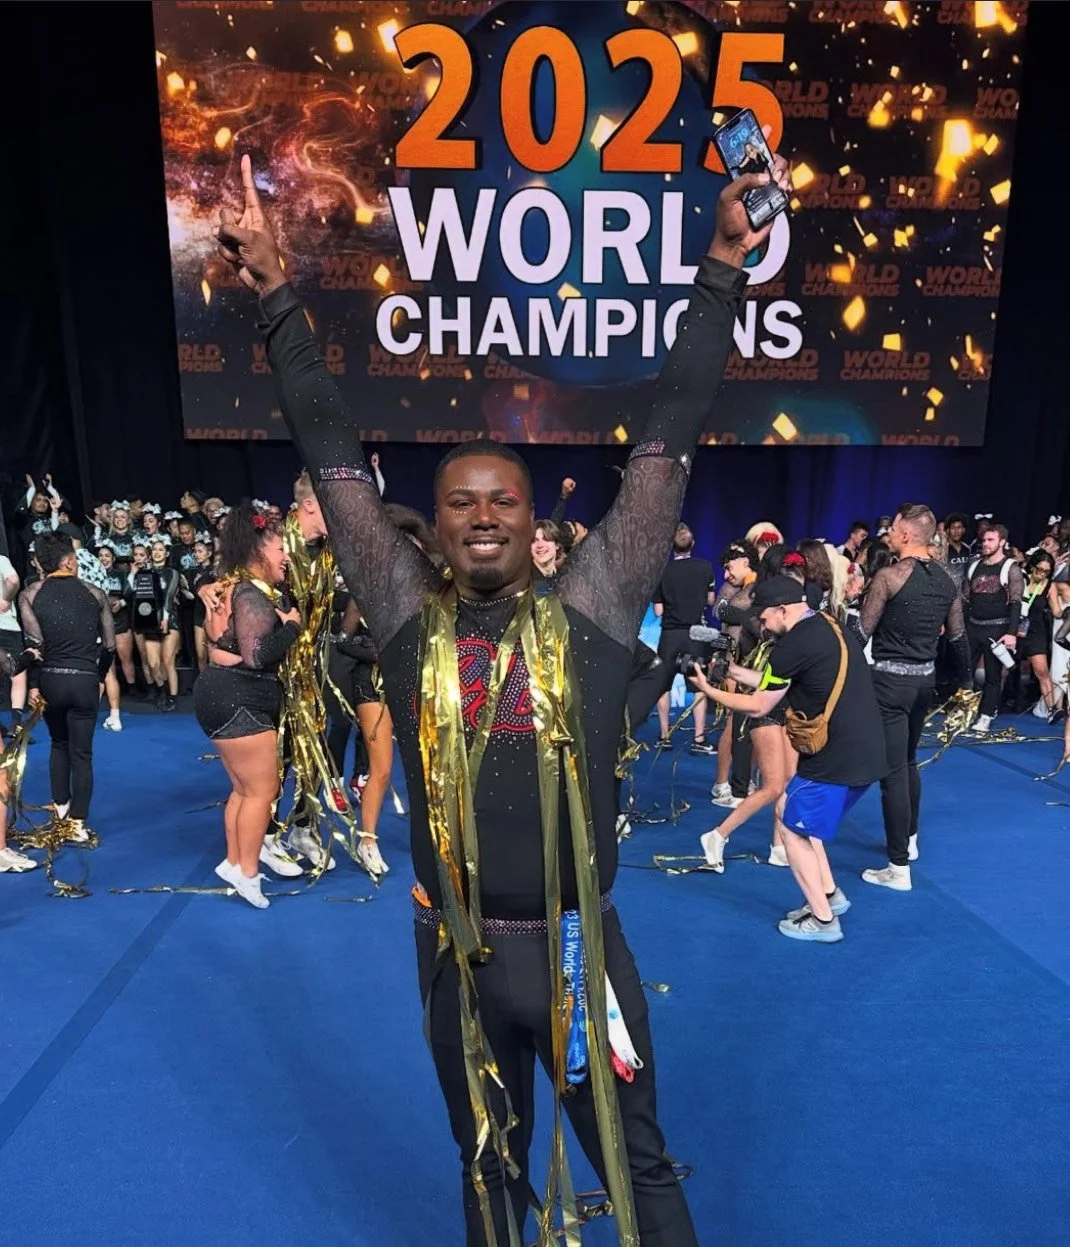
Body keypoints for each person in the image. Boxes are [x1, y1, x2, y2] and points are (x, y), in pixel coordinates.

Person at [216, 147, 788, 1245]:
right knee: (486, 1161)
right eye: (460, 501)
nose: (482, 515)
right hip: (456, 957)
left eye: (505, 500)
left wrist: (720, 265)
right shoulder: (401, 614)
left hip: (580, 951)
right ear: (429, 525)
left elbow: (668, 437)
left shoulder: (595, 603)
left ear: (536, 522)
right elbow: (327, 445)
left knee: (640, 1161)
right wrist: (278, 295)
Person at [693, 575, 886, 942]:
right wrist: (731, 672)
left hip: (835, 756)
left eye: (763, 619)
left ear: (782, 610)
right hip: (867, 750)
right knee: (790, 811)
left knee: (793, 827)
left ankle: (823, 920)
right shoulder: (828, 624)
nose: (761, 627)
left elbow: (758, 705)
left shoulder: (792, 645)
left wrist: (708, 690)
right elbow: (775, 682)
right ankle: (830, 894)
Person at [850, 505, 970, 889]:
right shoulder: (947, 580)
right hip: (925, 684)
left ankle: (897, 866)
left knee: (893, 771)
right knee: (908, 761)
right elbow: (957, 638)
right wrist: (967, 684)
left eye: (893, 531)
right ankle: (910, 841)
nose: (888, 536)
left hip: (888, 685)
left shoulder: (889, 576)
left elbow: (861, 635)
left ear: (905, 535)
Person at [192, 505, 302, 908]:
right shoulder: (251, 594)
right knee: (263, 791)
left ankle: (235, 862)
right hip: (240, 697)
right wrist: (292, 626)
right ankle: (249, 873)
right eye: (278, 548)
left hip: (221, 694)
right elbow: (257, 655)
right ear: (258, 551)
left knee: (242, 789)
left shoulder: (232, 586)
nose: (285, 556)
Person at [17, 532, 115, 843]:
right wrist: (99, 678)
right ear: (69, 561)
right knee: (81, 754)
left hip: (51, 679)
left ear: (40, 563)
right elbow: (110, 647)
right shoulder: (96, 593)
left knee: (59, 745)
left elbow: (34, 647)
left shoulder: (29, 595)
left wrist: (34, 684)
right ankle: (77, 825)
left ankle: (61, 812)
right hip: (85, 679)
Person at [653, 522, 717, 754]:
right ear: (693, 544)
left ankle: (664, 736)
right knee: (699, 685)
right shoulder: (705, 567)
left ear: (671, 546)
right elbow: (711, 600)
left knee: (663, 685)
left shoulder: (662, 570)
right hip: (696, 635)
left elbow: (659, 611)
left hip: (670, 635)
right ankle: (699, 740)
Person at [964, 523, 1024, 734]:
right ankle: (965, 712)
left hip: (997, 629)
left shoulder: (1011, 568)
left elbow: (1016, 603)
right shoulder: (973, 565)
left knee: (992, 676)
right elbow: (965, 598)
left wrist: (1011, 633)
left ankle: (987, 715)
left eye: (990, 540)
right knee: (965, 672)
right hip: (972, 626)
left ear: (1002, 542)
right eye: (984, 540)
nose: (985, 544)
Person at [1017, 549, 1059, 717]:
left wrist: (1066, 613)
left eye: (1046, 571)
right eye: (1039, 569)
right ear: (1032, 566)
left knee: (1042, 671)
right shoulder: (1021, 578)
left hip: (1035, 631)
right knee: (1001, 671)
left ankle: (1052, 710)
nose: (1042, 574)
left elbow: (1056, 611)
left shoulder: (1050, 585)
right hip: (1015, 628)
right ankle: (992, 706)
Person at [0, 552, 28, 734]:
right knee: (17, 673)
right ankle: (16, 723)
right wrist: (6, 599)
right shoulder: (1, 560)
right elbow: (13, 580)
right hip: (6, 625)